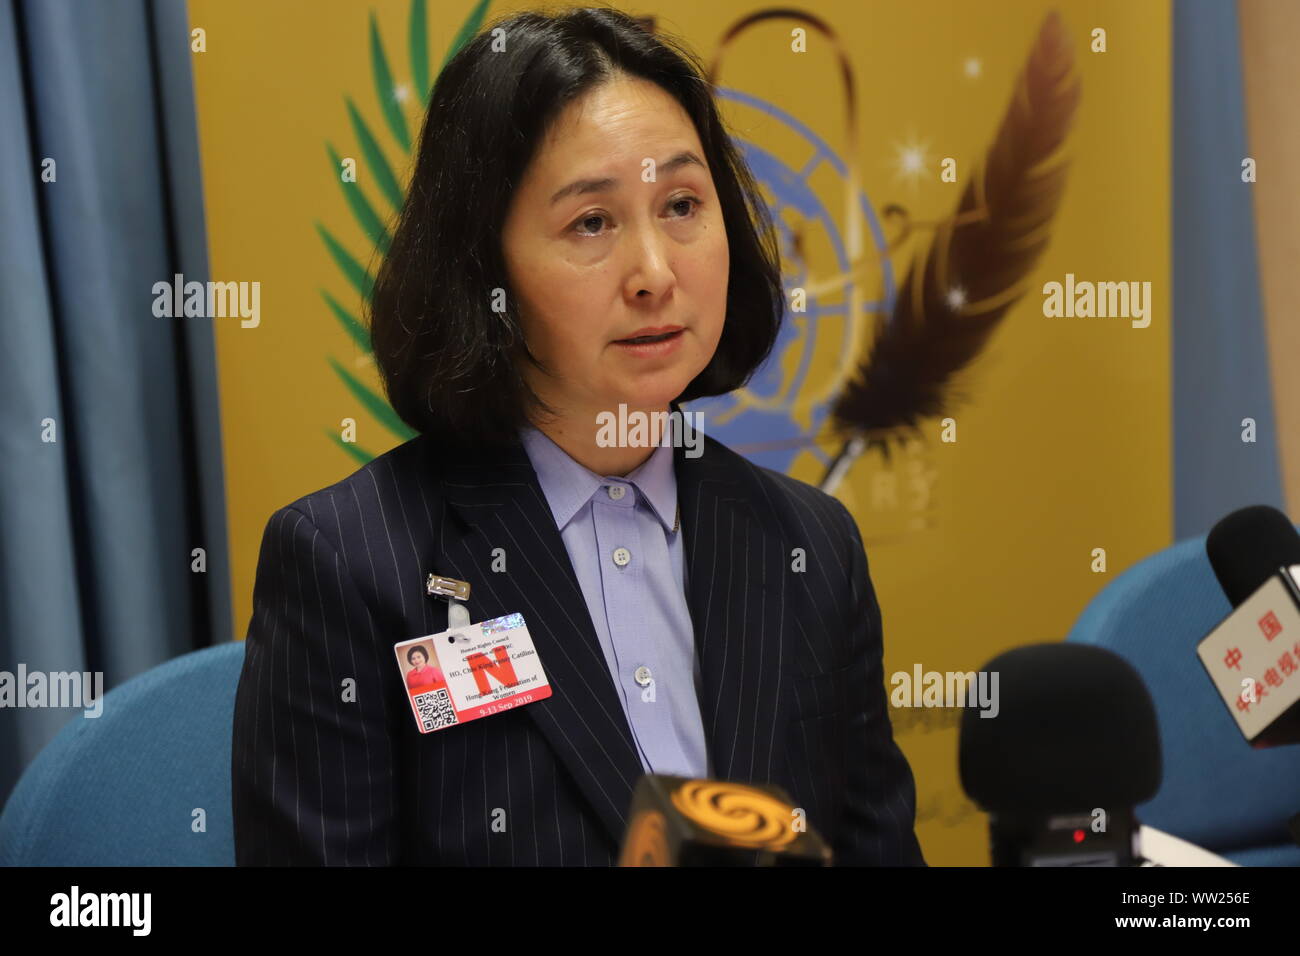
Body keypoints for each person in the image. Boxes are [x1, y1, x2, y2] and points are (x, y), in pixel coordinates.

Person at [231, 5, 924, 866]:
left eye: (681, 205)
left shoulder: (811, 548)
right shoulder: (349, 565)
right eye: (591, 222)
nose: (656, 274)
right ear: (484, 268)